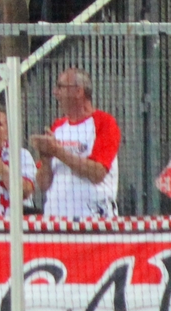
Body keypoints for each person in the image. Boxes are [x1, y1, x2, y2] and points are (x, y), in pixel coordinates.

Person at [31, 67, 119, 218]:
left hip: (92, 220)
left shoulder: (104, 122)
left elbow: (97, 173)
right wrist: (46, 159)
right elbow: (43, 184)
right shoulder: (58, 126)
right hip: (56, 220)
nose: (55, 92)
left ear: (78, 91)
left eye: (60, 87)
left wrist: (58, 151)